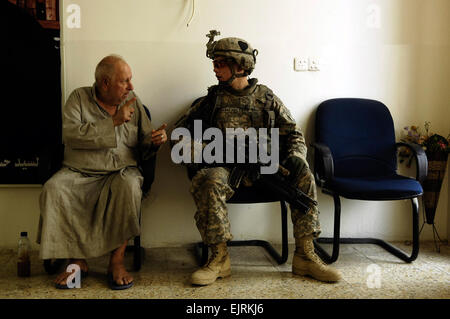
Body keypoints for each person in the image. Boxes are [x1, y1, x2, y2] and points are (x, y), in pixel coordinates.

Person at [172, 31, 341, 285]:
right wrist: (205, 148)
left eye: (220, 64)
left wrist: (296, 156)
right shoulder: (212, 100)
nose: (215, 70)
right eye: (214, 64)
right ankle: (219, 258)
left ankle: (305, 254)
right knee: (209, 179)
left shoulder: (266, 98)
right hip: (226, 169)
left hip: (264, 167)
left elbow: (293, 133)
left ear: (239, 67)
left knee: (303, 172)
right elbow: (179, 135)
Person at [37, 55, 167, 290]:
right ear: (105, 83)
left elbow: (144, 141)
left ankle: (116, 262)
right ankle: (76, 262)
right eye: (124, 81)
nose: (131, 86)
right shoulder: (78, 97)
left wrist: (155, 140)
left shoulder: (133, 101)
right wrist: (113, 121)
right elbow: (71, 134)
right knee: (54, 188)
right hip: (79, 171)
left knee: (129, 187)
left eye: (131, 80)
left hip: (121, 171)